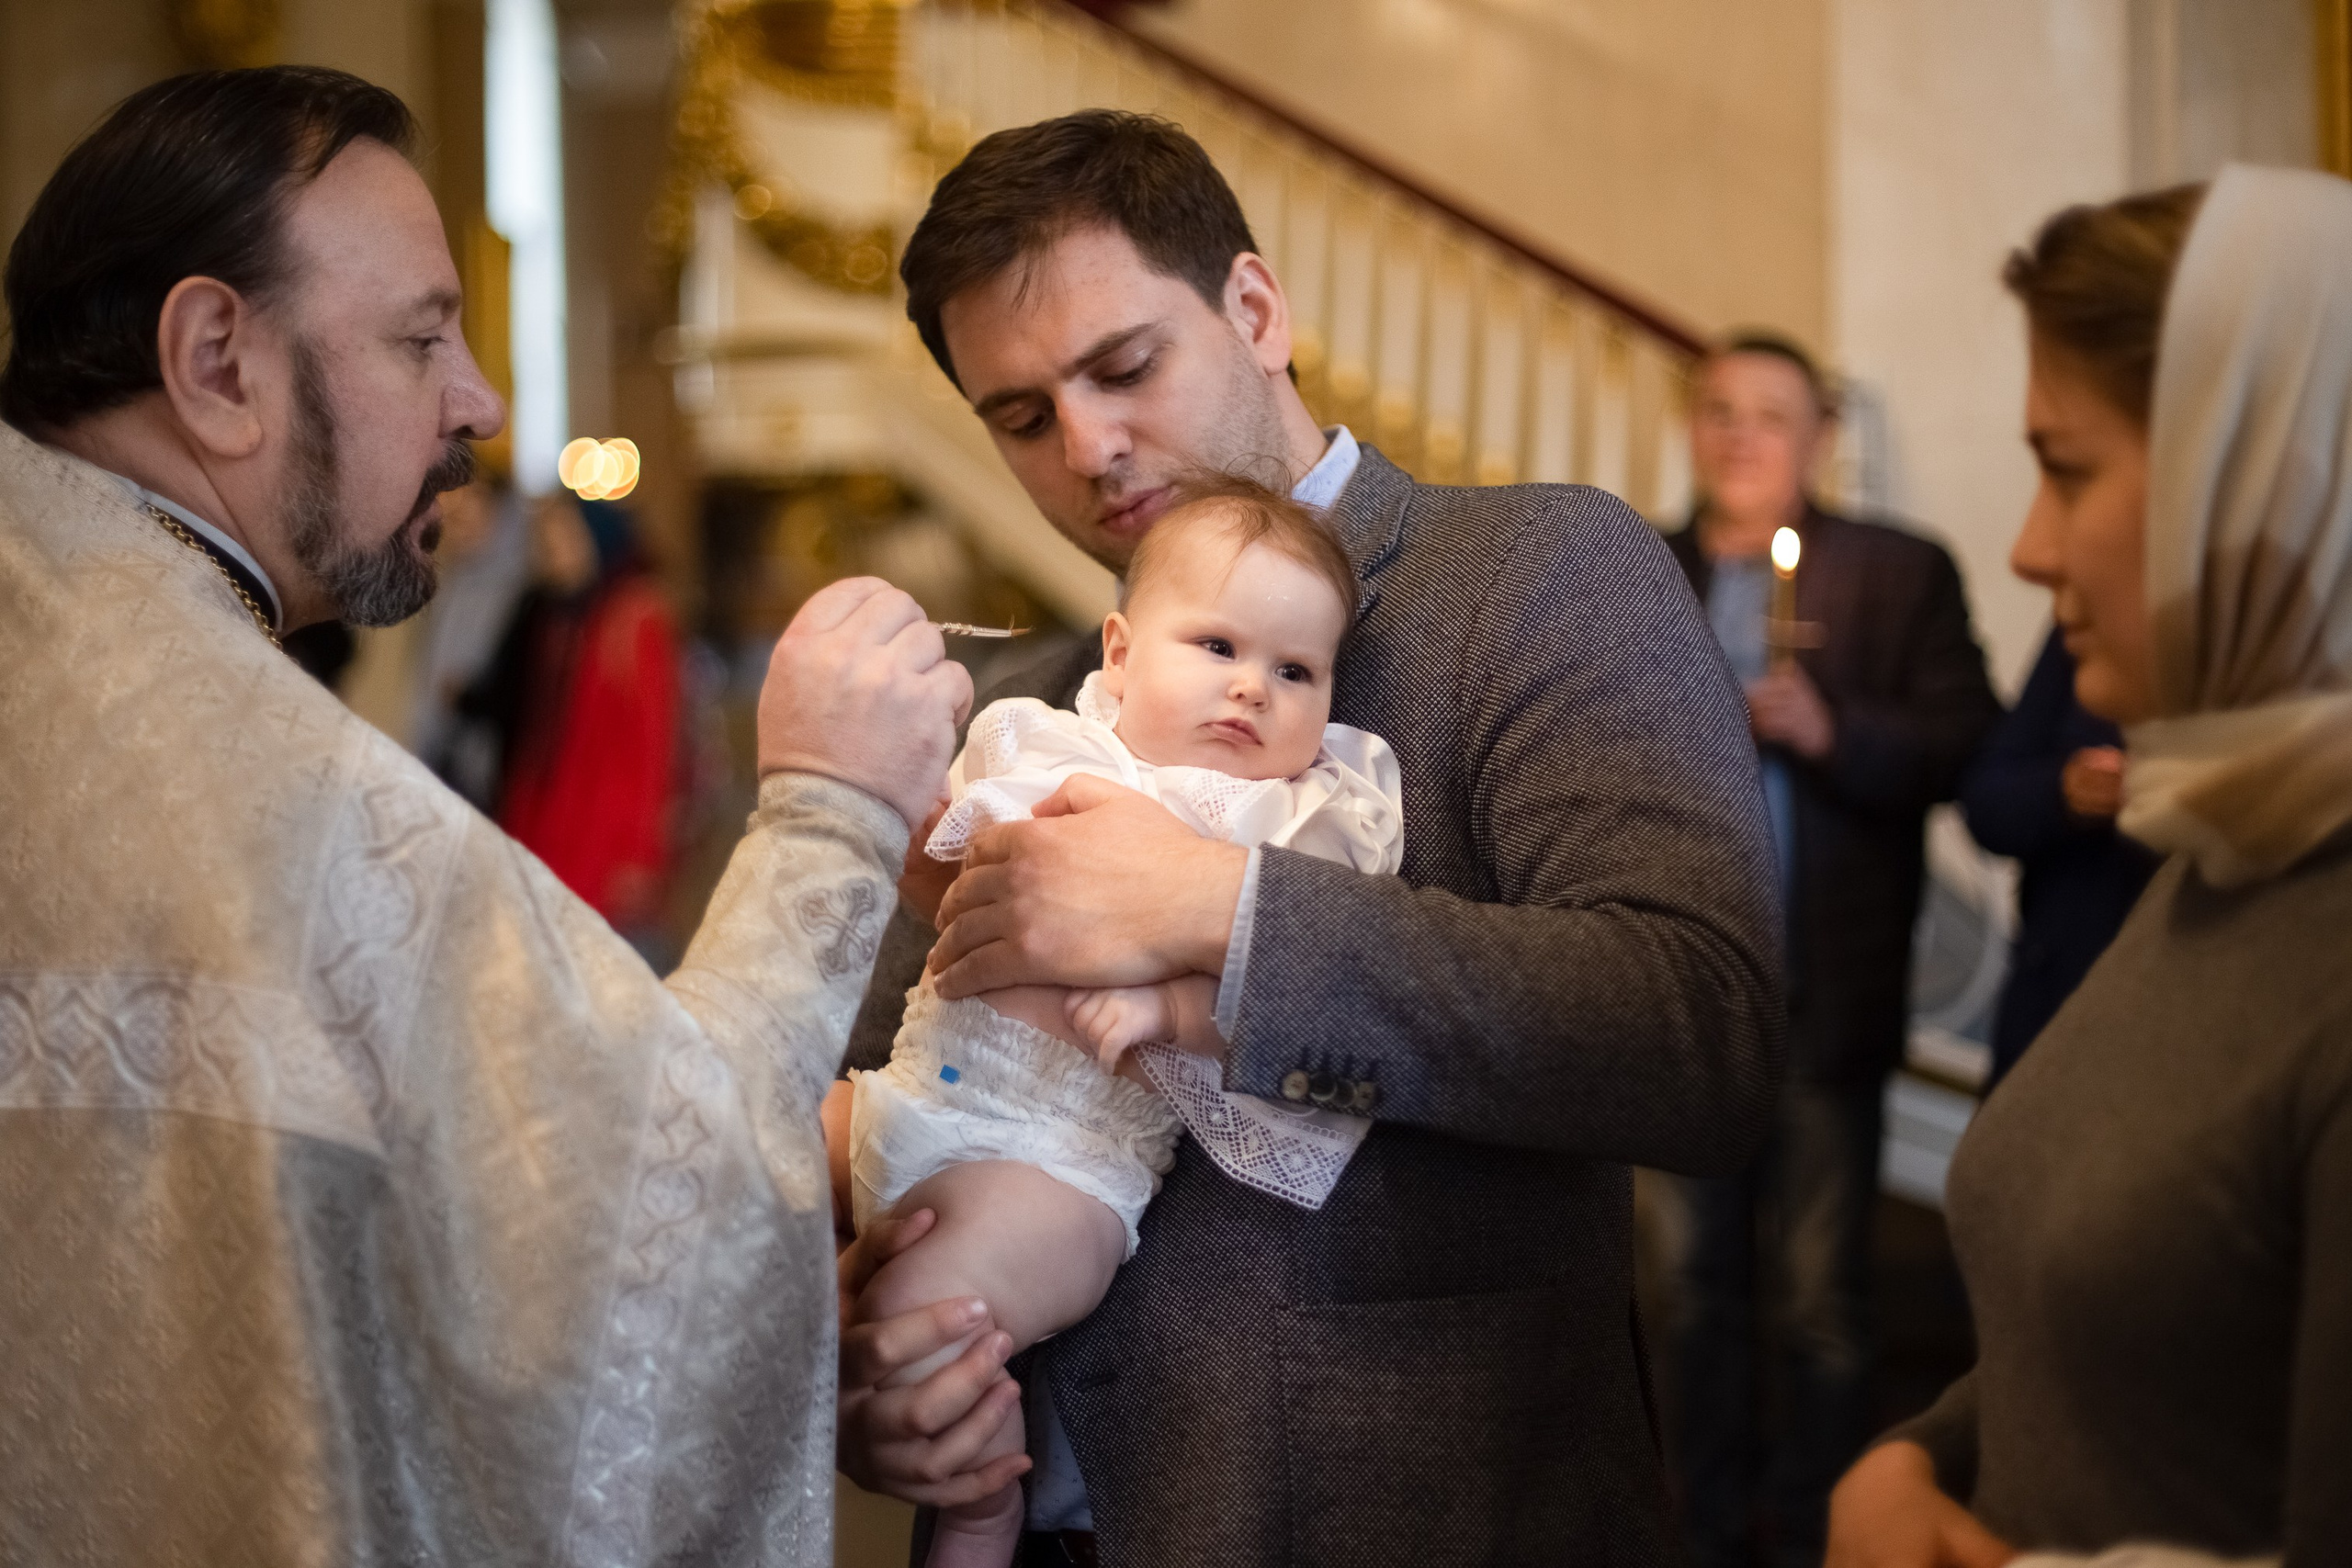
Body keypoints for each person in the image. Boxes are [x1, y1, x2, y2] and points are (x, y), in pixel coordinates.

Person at [0, 67, 968, 1563]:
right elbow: (651, 1229)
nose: (481, 402)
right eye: (420, 335)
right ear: (215, 359)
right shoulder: (236, 770)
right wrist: (836, 818)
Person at [836, 109, 1786, 1566]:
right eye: (1020, 416)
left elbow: (1696, 1028)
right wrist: (870, 1355)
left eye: (1124, 364)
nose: (1087, 443)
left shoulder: (1532, 575)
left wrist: (1224, 907)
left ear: (1257, 308)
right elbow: (893, 1097)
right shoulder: (1032, 704)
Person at [1826, 167, 2352, 1568]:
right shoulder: (2227, 836)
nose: (2030, 543)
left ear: (2262, 484)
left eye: (2067, 467)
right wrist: (1908, 1457)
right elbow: (2129, 1331)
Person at [836, 479, 1403, 1568]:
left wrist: (1163, 1004)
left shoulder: (1284, 827)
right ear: (1122, 651)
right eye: (1218, 646)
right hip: (909, 1091)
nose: (1250, 689)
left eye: (1294, 672)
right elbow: (934, 872)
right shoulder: (1046, 744)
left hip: (1054, 1174)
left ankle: (978, 1508)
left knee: (924, 1312)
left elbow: (1292, 1006)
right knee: (731, 1150)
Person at [1659, 333, 2001, 1568]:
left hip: (1826, 988)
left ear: (1819, 438)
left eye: (1771, 414)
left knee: (1821, 1302)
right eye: (1719, 411)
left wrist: (1830, 727)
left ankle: (1814, 1529)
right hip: (1681, 1000)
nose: (1742, 435)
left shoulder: (1897, 572)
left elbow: (1969, 745)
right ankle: (1700, 1527)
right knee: (1691, 1292)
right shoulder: (1644, 568)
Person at [465, 491, 682, 958]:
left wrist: (641, 854)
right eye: (547, 538)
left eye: (565, 536)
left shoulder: (635, 618)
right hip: (549, 818)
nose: (552, 551)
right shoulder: (558, 615)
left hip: (604, 829)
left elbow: (652, 746)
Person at [1956, 626, 2159, 1087]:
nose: (2031, 559)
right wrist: (2064, 790)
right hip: (2046, 1012)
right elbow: (1987, 799)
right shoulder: (2088, 626)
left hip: (2165, 1041)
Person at [410, 468, 528, 809]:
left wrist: (468, 695)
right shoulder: (453, 585)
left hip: (487, 765)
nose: (457, 523)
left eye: (471, 513)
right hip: (441, 752)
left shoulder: (521, 593)